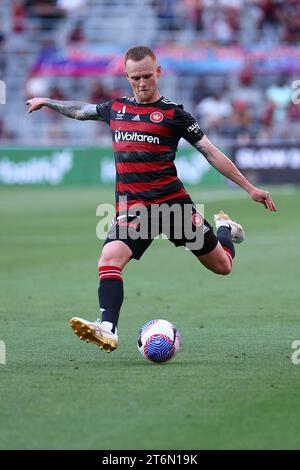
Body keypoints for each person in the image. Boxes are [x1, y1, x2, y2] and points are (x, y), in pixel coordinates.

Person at [26, 45, 277, 353]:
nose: (142, 83)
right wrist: (47, 101)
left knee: (223, 266)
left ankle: (223, 228)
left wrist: (249, 188)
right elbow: (81, 110)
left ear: (158, 72)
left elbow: (211, 152)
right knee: (109, 260)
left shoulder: (174, 114)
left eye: (147, 76)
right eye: (135, 78)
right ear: (126, 76)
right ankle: (107, 327)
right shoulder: (117, 108)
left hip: (174, 208)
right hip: (134, 210)